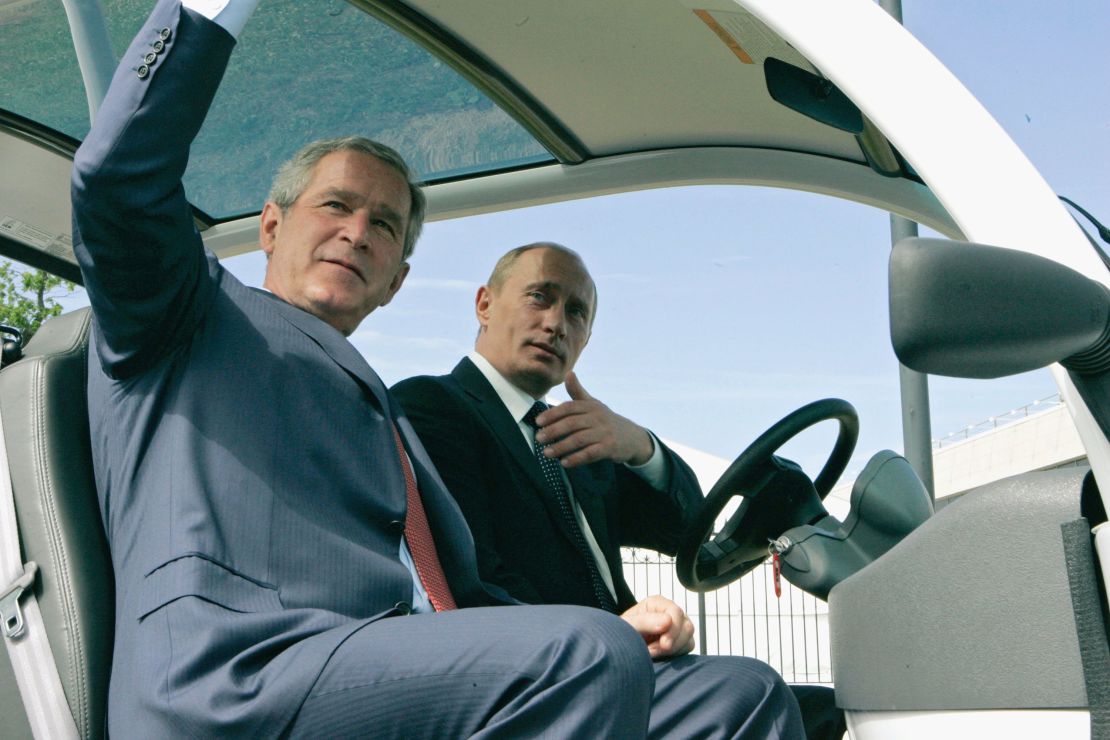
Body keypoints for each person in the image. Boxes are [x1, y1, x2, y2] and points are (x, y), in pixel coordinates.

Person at [71, 0, 803, 736]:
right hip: (240, 675)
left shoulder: (384, 415)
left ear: (397, 280)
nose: (358, 233)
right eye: (336, 206)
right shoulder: (185, 314)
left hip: (393, 672)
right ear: (271, 226)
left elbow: (463, 600)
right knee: (585, 652)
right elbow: (117, 186)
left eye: (384, 226)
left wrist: (625, 630)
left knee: (740, 692)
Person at [392, 243, 845, 740]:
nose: (556, 323)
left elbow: (685, 530)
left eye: (576, 312)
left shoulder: (579, 437)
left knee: (825, 710)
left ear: (586, 339)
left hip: (622, 668)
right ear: (484, 304)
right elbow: (470, 581)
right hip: (538, 680)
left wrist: (640, 447)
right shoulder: (435, 406)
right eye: (539, 297)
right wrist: (611, 635)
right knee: (750, 688)